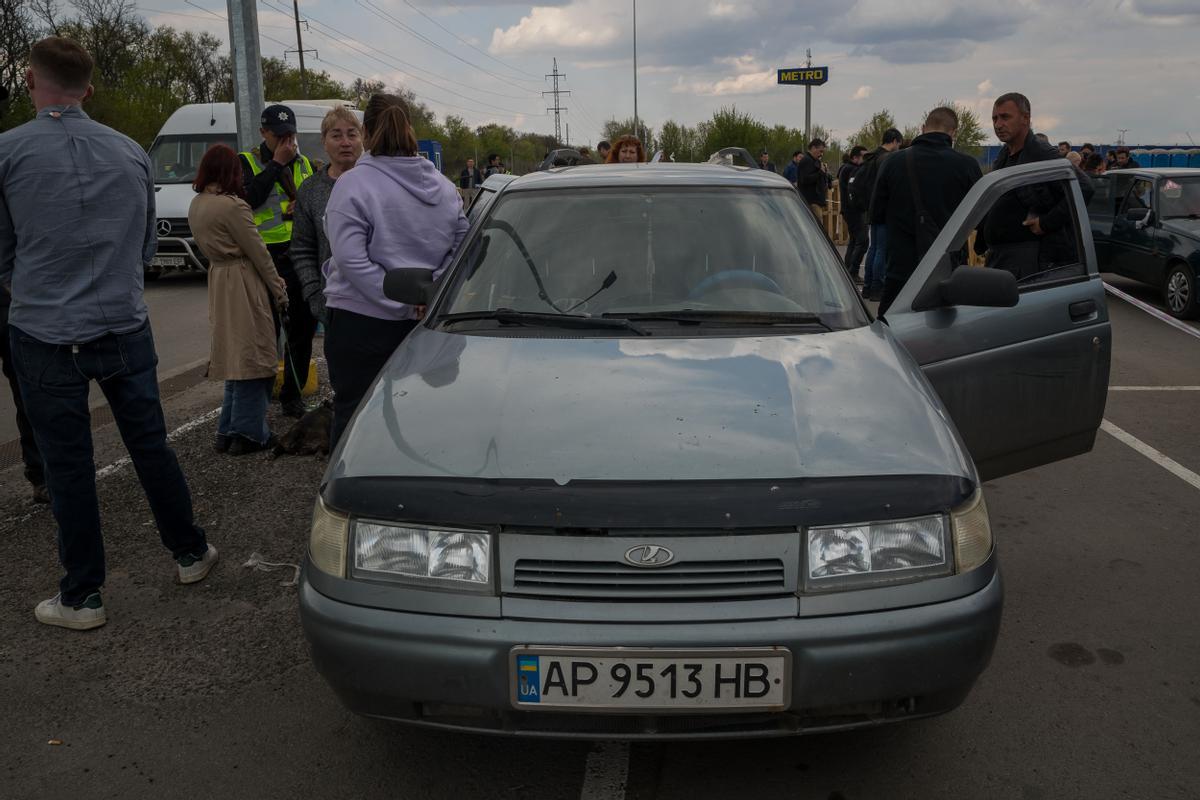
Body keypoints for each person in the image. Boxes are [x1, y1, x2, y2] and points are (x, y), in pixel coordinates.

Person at [1, 37, 214, 630]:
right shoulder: (129, 152)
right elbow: (146, 243)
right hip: (123, 324)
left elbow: (2, 252)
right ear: (88, 88)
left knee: (68, 464)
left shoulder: (8, 153)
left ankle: (83, 596)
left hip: (44, 333)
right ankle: (191, 551)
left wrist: (37, 293)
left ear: (29, 79)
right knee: (150, 445)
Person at [323, 94, 470, 445]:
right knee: (420, 414)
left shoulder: (352, 185)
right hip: (425, 321)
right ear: (410, 129)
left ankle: (351, 495)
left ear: (368, 133)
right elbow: (463, 245)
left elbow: (350, 260)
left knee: (356, 418)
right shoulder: (445, 188)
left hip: (359, 324)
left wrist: (399, 300)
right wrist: (429, 292)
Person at [189, 145, 290, 455]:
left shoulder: (198, 204)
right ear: (230, 172)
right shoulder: (233, 207)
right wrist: (279, 289)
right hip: (243, 282)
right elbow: (259, 252)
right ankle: (250, 432)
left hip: (220, 280)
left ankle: (228, 428)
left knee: (235, 355)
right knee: (255, 356)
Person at [239, 104, 316, 419]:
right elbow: (248, 199)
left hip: (298, 255)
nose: (287, 141)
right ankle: (256, 404)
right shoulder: (246, 162)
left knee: (302, 329)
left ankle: (291, 396)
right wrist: (276, 165)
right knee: (265, 334)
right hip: (264, 258)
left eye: (291, 134)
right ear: (264, 133)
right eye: (280, 135)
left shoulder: (306, 164)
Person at [871, 107, 983, 315]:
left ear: (923, 128)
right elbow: (980, 218)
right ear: (954, 132)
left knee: (890, 331)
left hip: (901, 267)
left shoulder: (893, 162)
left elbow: (876, 213)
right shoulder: (967, 165)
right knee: (947, 332)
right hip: (947, 268)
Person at [976, 91, 1073, 278]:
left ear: (1025, 118)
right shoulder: (1005, 155)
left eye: (1005, 117)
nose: (998, 124)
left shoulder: (1041, 153)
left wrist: (1046, 223)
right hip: (1001, 256)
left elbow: (1083, 189)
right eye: (994, 118)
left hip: (1028, 260)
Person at [292, 106, 364, 327]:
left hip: (380, 304)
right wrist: (314, 293)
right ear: (324, 141)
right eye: (336, 135)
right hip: (334, 306)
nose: (345, 142)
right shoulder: (311, 189)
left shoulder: (377, 182)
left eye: (352, 134)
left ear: (362, 139)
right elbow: (302, 248)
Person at [0, 284, 48, 503]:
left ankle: (41, 477)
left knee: (29, 395)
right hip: (13, 301)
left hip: (12, 305)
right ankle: (41, 477)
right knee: (28, 394)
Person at [852, 128, 903, 301]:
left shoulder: (871, 157)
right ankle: (877, 287)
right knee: (882, 249)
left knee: (874, 248)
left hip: (872, 209)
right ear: (894, 141)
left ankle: (867, 287)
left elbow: (859, 184)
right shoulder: (886, 159)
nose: (899, 147)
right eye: (899, 144)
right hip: (883, 209)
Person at [837, 146, 869, 282]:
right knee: (863, 240)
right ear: (855, 157)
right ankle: (853, 271)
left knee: (855, 240)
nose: (865, 160)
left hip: (849, 209)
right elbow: (855, 190)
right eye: (863, 157)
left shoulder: (846, 168)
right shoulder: (852, 169)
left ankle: (848, 269)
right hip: (853, 210)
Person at [795, 138, 832, 221]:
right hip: (811, 202)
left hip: (817, 201)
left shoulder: (815, 161)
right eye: (820, 151)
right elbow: (805, 179)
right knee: (817, 229)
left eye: (823, 152)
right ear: (813, 148)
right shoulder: (806, 161)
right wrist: (820, 172)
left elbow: (820, 176)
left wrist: (826, 175)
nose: (821, 154)